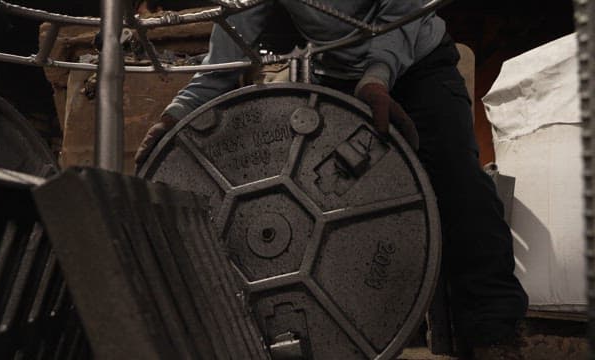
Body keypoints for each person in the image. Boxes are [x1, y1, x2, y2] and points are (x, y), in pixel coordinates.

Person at [135, 1, 529, 358]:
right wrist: (175, 115)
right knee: (335, 213)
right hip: (335, 74)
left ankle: (494, 332)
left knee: (458, 185)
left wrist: (376, 79)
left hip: (417, 65)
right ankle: (357, 337)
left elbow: (401, 15)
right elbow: (231, 46)